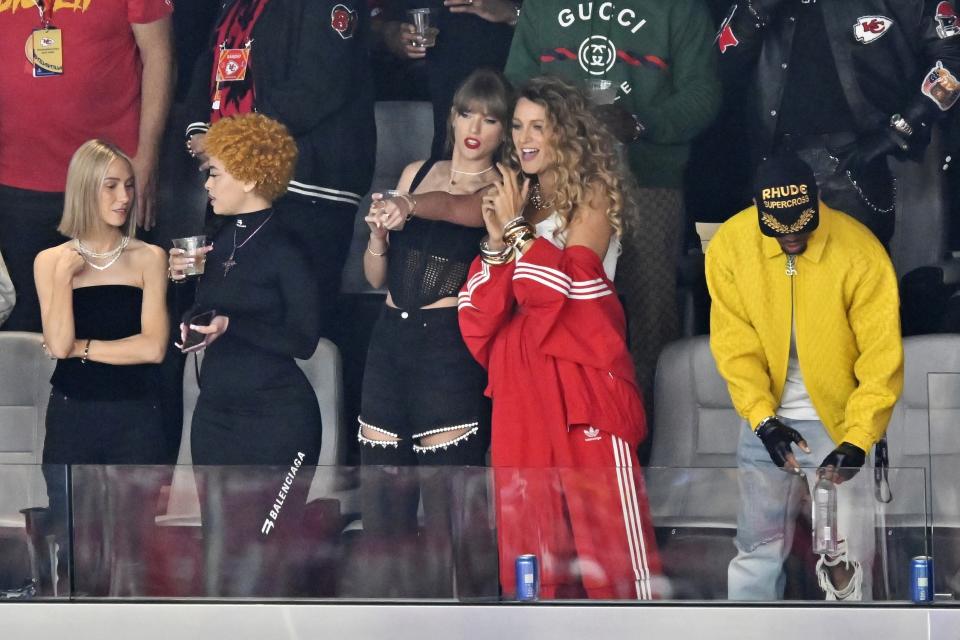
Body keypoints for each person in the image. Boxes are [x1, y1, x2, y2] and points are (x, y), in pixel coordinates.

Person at [457, 76, 661, 600]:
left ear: (564, 135)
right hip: (521, 386)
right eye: (519, 126)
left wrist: (517, 236)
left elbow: (576, 286)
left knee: (609, 537)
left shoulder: (592, 191)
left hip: (583, 375)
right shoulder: (514, 201)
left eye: (538, 127)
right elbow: (476, 313)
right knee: (529, 537)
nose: (524, 138)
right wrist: (501, 239)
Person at [705, 153, 904, 600]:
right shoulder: (732, 246)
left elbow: (881, 359)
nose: (792, 235)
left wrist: (858, 439)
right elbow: (735, 347)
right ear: (758, 211)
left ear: (817, 201)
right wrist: (762, 420)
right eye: (779, 226)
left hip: (841, 426)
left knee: (847, 567)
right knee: (756, 554)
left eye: (801, 223)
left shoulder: (860, 251)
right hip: (767, 426)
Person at [502, 0, 721, 405]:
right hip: (556, 182)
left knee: (651, 311)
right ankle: (563, 419)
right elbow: (516, 84)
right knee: (551, 299)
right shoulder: (541, 6)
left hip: (648, 179)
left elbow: (704, 94)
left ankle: (649, 437)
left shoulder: (680, 9)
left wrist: (640, 124)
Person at [355, 69, 511, 597]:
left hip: (448, 345)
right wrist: (378, 235)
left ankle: (463, 617)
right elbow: (376, 277)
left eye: (490, 119)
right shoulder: (416, 170)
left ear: (503, 131)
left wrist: (407, 207)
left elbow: (463, 210)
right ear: (451, 116)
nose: (475, 128)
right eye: (467, 113)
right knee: (383, 491)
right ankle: (388, 614)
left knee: (450, 499)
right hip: (388, 338)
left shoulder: (504, 185)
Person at [169, 113, 322, 595]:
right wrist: (184, 298)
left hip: (278, 420)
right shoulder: (214, 240)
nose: (207, 182)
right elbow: (202, 314)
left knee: (266, 559)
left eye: (215, 172)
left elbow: (304, 340)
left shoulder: (288, 246)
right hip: (216, 414)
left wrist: (233, 325)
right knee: (218, 550)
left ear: (251, 177)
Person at [183, 0, 375, 336]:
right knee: (225, 310)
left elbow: (317, 87)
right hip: (239, 173)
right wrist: (201, 128)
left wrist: (229, 136)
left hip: (310, 183)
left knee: (299, 322)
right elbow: (211, 65)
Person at [34, 139, 170, 593]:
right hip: (73, 416)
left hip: (137, 416)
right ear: (85, 190)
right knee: (76, 551)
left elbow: (152, 348)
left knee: (135, 551)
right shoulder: (50, 261)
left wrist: (82, 349)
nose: (124, 198)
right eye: (111, 186)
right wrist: (61, 279)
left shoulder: (149, 257)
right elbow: (57, 340)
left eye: (128, 186)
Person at [715, 0, 960, 247]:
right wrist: (756, 10)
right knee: (780, 281)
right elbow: (718, 71)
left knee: (861, 274)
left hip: (859, 164)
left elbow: (953, 59)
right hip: (774, 165)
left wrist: (899, 131)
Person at [0, 0, 174, 332]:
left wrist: (147, 159)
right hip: (15, 182)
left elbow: (160, 57)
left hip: (104, 182)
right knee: (27, 327)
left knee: (110, 322)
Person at [375, 0, 520, 158]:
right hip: (444, 93)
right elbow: (387, 22)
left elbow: (546, 24)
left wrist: (513, 12)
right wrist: (396, 36)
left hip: (510, 89)